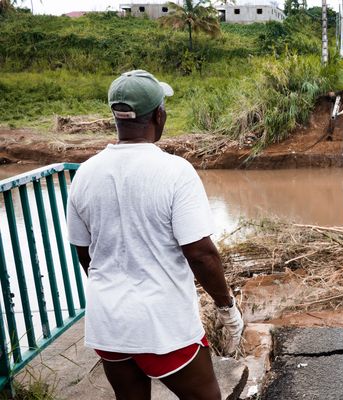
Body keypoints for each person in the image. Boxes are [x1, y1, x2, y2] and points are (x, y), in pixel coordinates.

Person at [67, 69, 244, 400]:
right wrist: (226, 307)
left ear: (116, 117)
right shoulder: (176, 172)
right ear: (159, 115)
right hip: (163, 326)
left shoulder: (85, 174)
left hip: (108, 324)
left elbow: (84, 254)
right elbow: (201, 254)